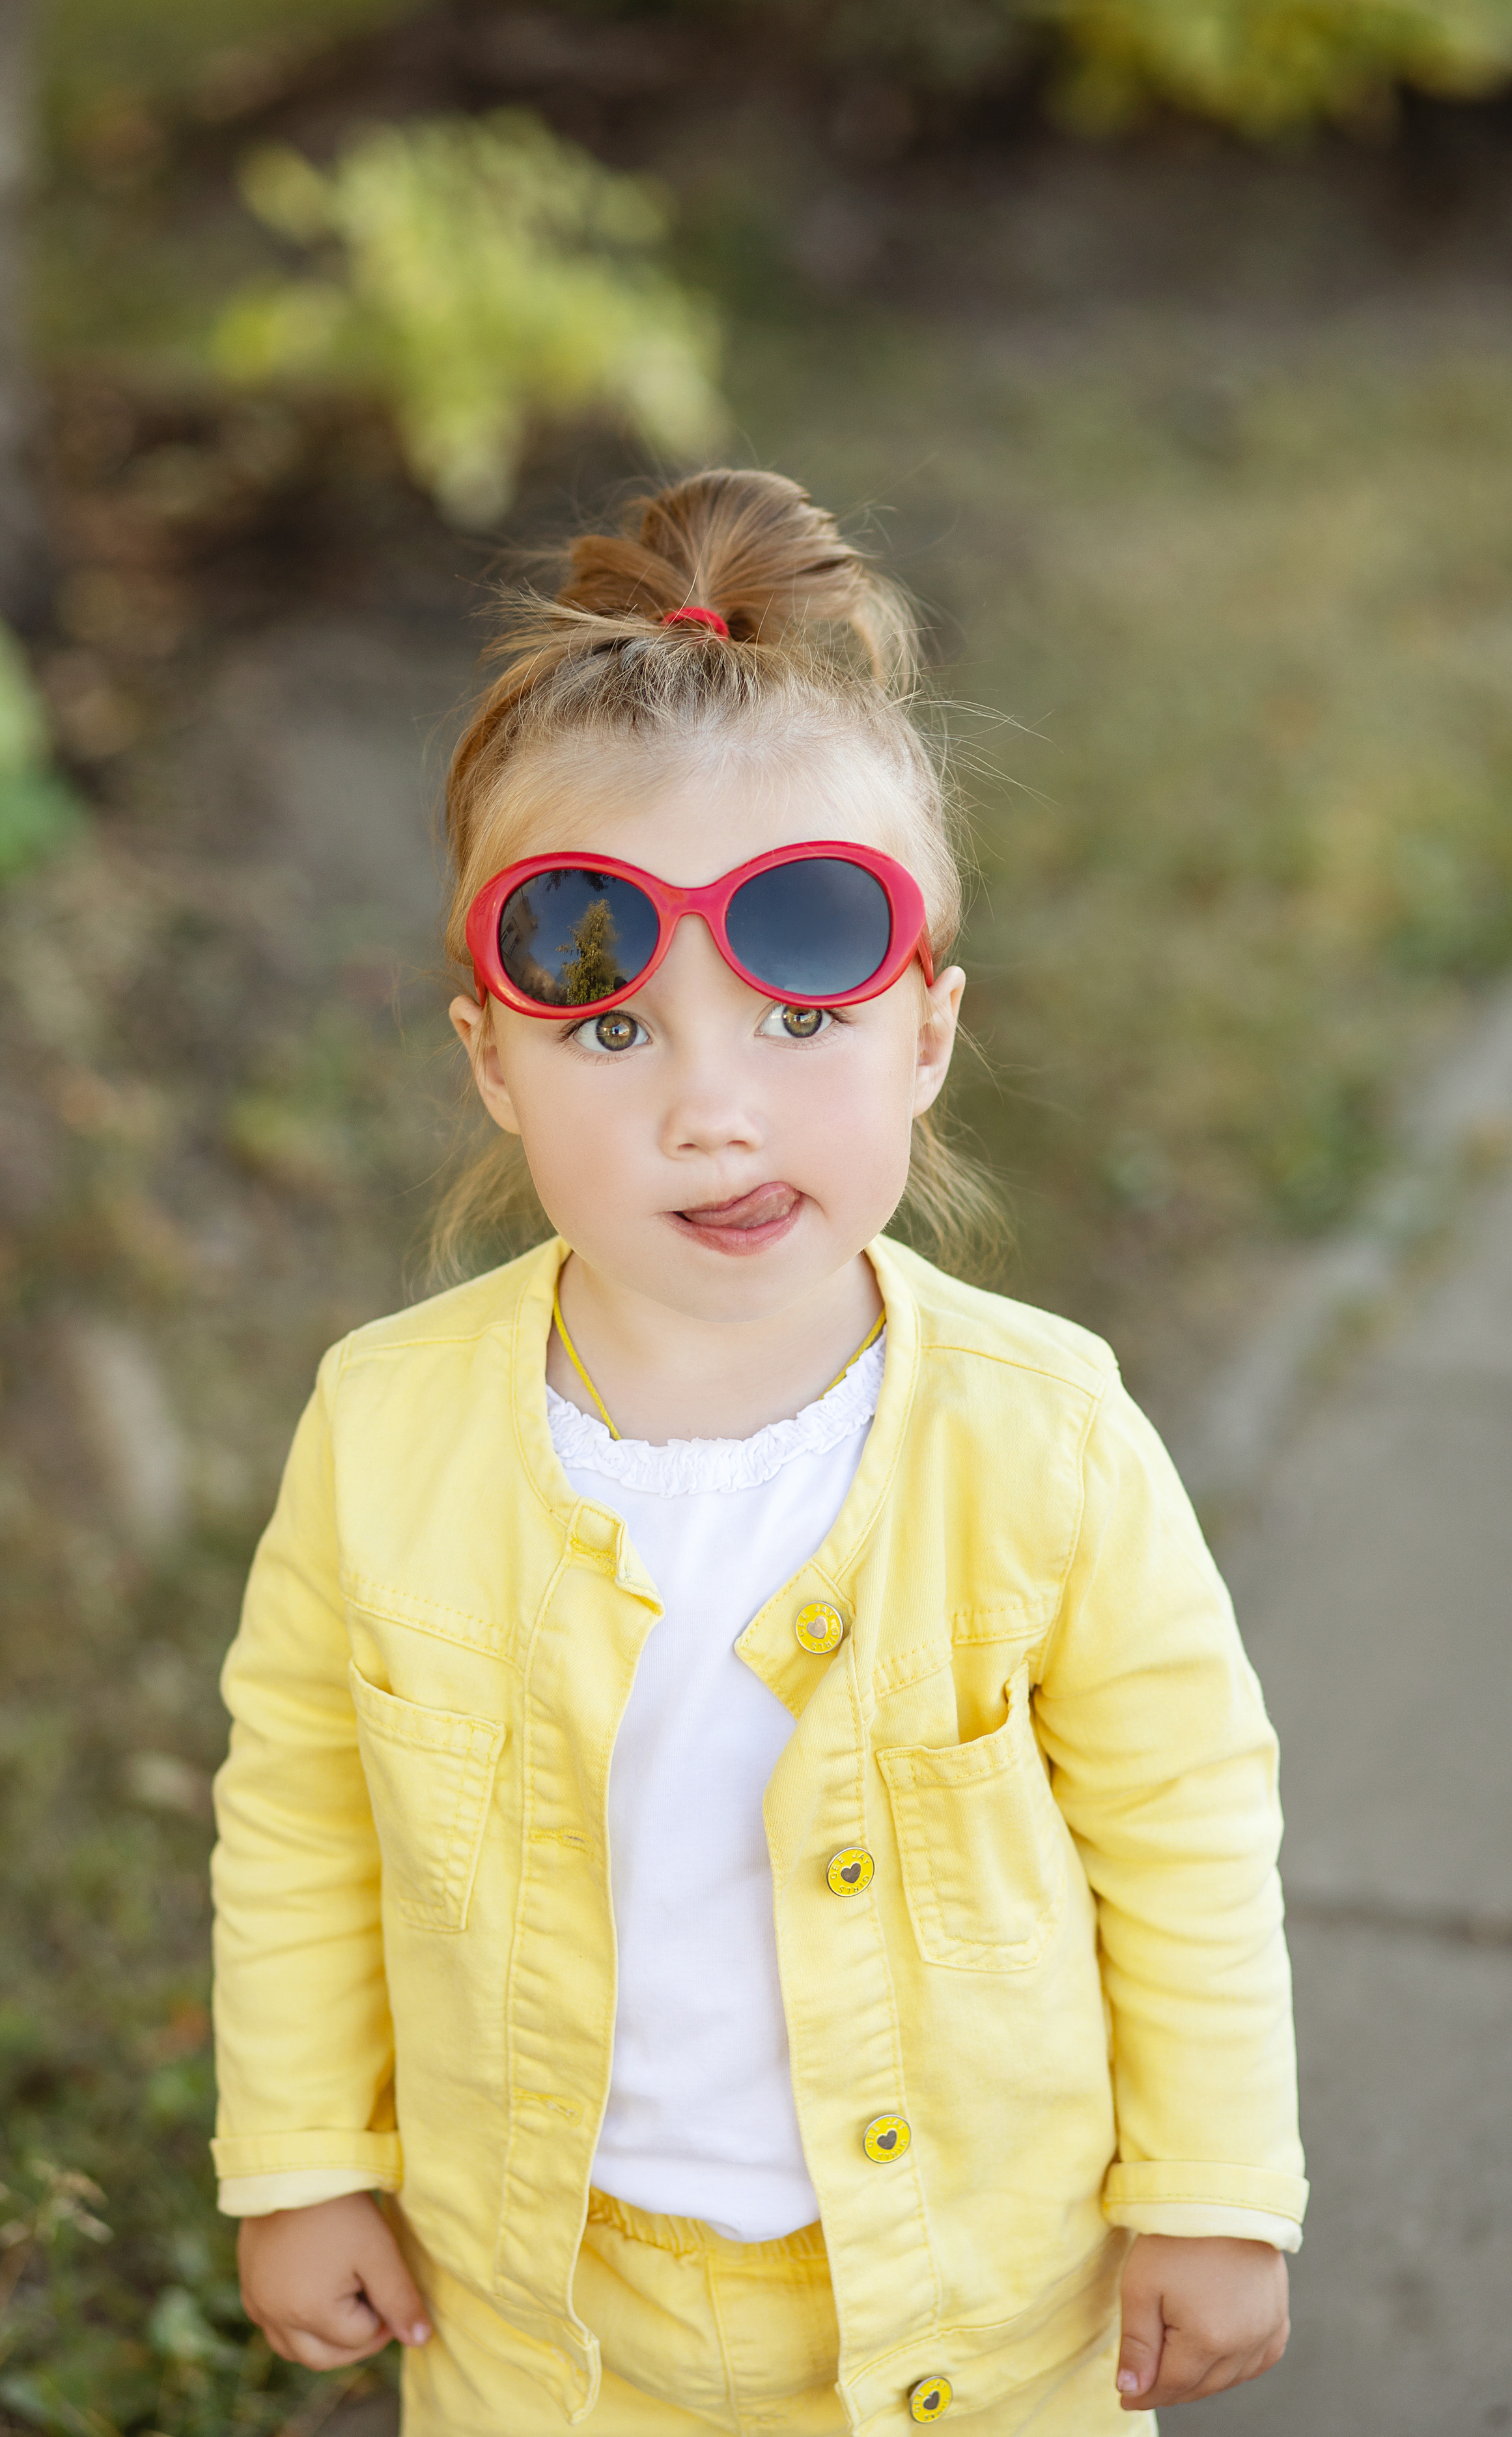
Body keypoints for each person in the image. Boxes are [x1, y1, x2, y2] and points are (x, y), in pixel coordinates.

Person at [210, 470, 1304, 2435]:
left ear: (929, 1039)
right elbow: (298, 1819)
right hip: (542, 2317)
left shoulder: (1042, 1441)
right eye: (614, 1036)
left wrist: (1211, 2190)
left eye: (801, 1018)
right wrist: (303, 2157)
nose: (716, 1115)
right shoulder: (388, 1434)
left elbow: (1185, 1827)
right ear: (491, 1058)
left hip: (983, 2300)